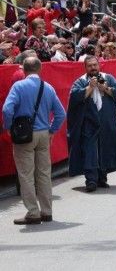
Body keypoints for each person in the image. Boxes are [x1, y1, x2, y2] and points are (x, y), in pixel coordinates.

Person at [2, 57, 66, 225]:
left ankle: (33, 212)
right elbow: (61, 114)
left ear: (23, 69)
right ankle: (47, 211)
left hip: (24, 135)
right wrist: (52, 130)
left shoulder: (19, 86)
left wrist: (8, 126)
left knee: (26, 175)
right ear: (40, 69)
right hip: (44, 133)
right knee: (44, 173)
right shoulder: (48, 87)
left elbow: (7, 109)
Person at [67, 56, 116, 192]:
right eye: (90, 66)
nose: (93, 68)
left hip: (106, 121)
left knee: (106, 148)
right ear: (85, 68)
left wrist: (106, 89)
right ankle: (91, 180)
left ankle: (102, 178)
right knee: (90, 150)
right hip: (89, 123)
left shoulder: (107, 78)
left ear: (99, 65)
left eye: (95, 65)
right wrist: (90, 88)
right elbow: (74, 97)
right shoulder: (80, 81)